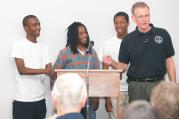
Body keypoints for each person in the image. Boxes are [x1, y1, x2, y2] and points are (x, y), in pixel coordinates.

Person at [103, 2, 176, 103]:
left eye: (147, 15)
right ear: (133, 19)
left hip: (159, 85)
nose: (144, 19)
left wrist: (173, 86)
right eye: (140, 16)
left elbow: (169, 61)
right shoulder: (128, 39)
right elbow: (123, 66)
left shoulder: (163, 34)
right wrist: (112, 62)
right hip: (137, 88)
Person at [11, 15, 55, 119]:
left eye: (39, 24)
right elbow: (22, 70)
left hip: (40, 99)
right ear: (26, 28)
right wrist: (45, 70)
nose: (38, 27)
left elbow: (50, 70)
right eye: (34, 25)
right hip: (23, 100)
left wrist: (53, 72)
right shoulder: (18, 45)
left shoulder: (44, 48)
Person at [53, 22, 100, 119]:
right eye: (81, 33)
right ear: (74, 36)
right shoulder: (65, 52)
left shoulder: (92, 52)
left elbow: (98, 75)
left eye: (85, 32)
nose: (84, 35)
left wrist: (96, 96)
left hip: (89, 100)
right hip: (70, 102)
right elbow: (54, 75)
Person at [98, 12, 129, 119]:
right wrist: (107, 97)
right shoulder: (107, 44)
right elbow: (105, 71)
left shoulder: (135, 41)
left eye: (122, 22)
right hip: (115, 91)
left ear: (128, 23)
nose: (119, 25)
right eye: (116, 23)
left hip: (133, 89)